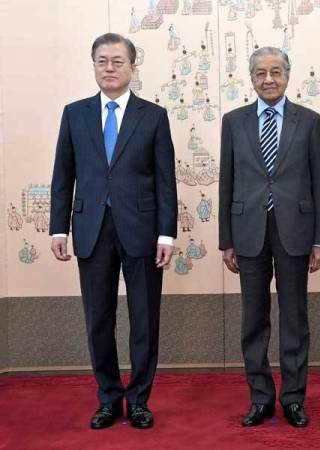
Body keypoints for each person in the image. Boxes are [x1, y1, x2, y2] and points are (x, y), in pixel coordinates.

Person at [50, 33, 178, 430]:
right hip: (90, 230)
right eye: (102, 61)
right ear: (93, 66)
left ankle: (139, 400)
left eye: (118, 61)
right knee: (98, 320)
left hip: (141, 231)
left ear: (132, 67)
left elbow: (165, 181)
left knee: (144, 319)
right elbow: (63, 175)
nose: (109, 67)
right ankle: (109, 398)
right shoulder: (74, 113)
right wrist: (58, 229)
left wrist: (166, 235)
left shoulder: (153, 116)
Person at [219, 46, 320, 428]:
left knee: (295, 317)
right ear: (251, 78)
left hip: (295, 232)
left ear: (288, 74)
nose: (269, 79)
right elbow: (226, 182)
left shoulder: (310, 121)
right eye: (261, 73)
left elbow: (319, 182)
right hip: (247, 230)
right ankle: (261, 398)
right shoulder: (233, 122)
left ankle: (294, 398)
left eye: (276, 72)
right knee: (253, 318)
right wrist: (225, 240)